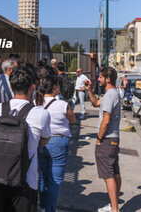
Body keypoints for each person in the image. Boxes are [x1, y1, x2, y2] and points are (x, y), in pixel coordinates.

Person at [0, 67, 51, 212]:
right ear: (32, 88)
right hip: (26, 181)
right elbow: (46, 139)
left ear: (11, 86)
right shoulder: (40, 114)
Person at [36, 75, 76, 212]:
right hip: (58, 142)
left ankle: (42, 207)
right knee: (55, 180)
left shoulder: (37, 103)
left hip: (41, 142)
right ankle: (50, 209)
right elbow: (72, 120)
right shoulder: (63, 105)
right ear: (54, 88)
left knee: (43, 177)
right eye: (58, 85)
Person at [84, 67, 121, 212]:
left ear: (108, 79)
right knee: (114, 172)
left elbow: (106, 120)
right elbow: (95, 103)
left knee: (108, 175)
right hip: (113, 139)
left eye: (100, 77)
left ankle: (114, 209)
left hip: (107, 140)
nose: (98, 79)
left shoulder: (110, 95)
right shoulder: (110, 94)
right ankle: (114, 205)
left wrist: (99, 138)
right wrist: (89, 90)